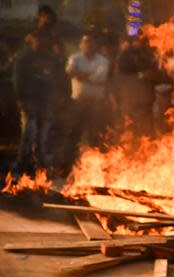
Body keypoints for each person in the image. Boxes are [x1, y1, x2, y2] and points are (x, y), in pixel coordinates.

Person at [13, 32, 66, 173]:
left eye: (43, 41)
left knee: (43, 132)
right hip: (29, 100)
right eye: (37, 41)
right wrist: (20, 99)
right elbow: (18, 81)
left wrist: (60, 96)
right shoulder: (24, 59)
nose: (40, 44)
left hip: (46, 100)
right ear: (32, 42)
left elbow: (60, 78)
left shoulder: (52, 59)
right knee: (29, 131)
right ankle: (22, 161)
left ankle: (40, 162)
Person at [65, 33, 110, 146]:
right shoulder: (74, 58)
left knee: (95, 131)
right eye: (86, 42)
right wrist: (90, 75)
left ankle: (94, 156)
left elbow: (100, 77)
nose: (89, 44)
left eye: (91, 42)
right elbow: (70, 71)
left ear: (96, 45)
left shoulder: (103, 61)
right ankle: (72, 157)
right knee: (75, 130)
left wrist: (81, 75)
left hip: (97, 103)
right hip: (79, 102)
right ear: (81, 45)